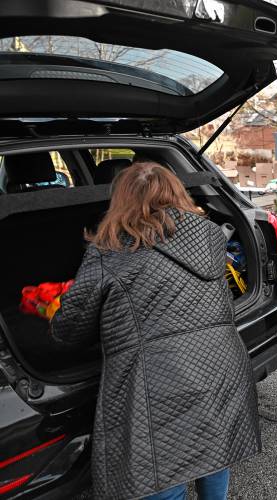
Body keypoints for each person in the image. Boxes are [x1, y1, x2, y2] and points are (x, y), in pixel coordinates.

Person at [50, 162, 261, 500]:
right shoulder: (210, 236)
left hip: (159, 384)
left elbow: (67, 332)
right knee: (214, 445)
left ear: (121, 200)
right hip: (222, 366)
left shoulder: (108, 251)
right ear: (177, 192)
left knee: (162, 471)